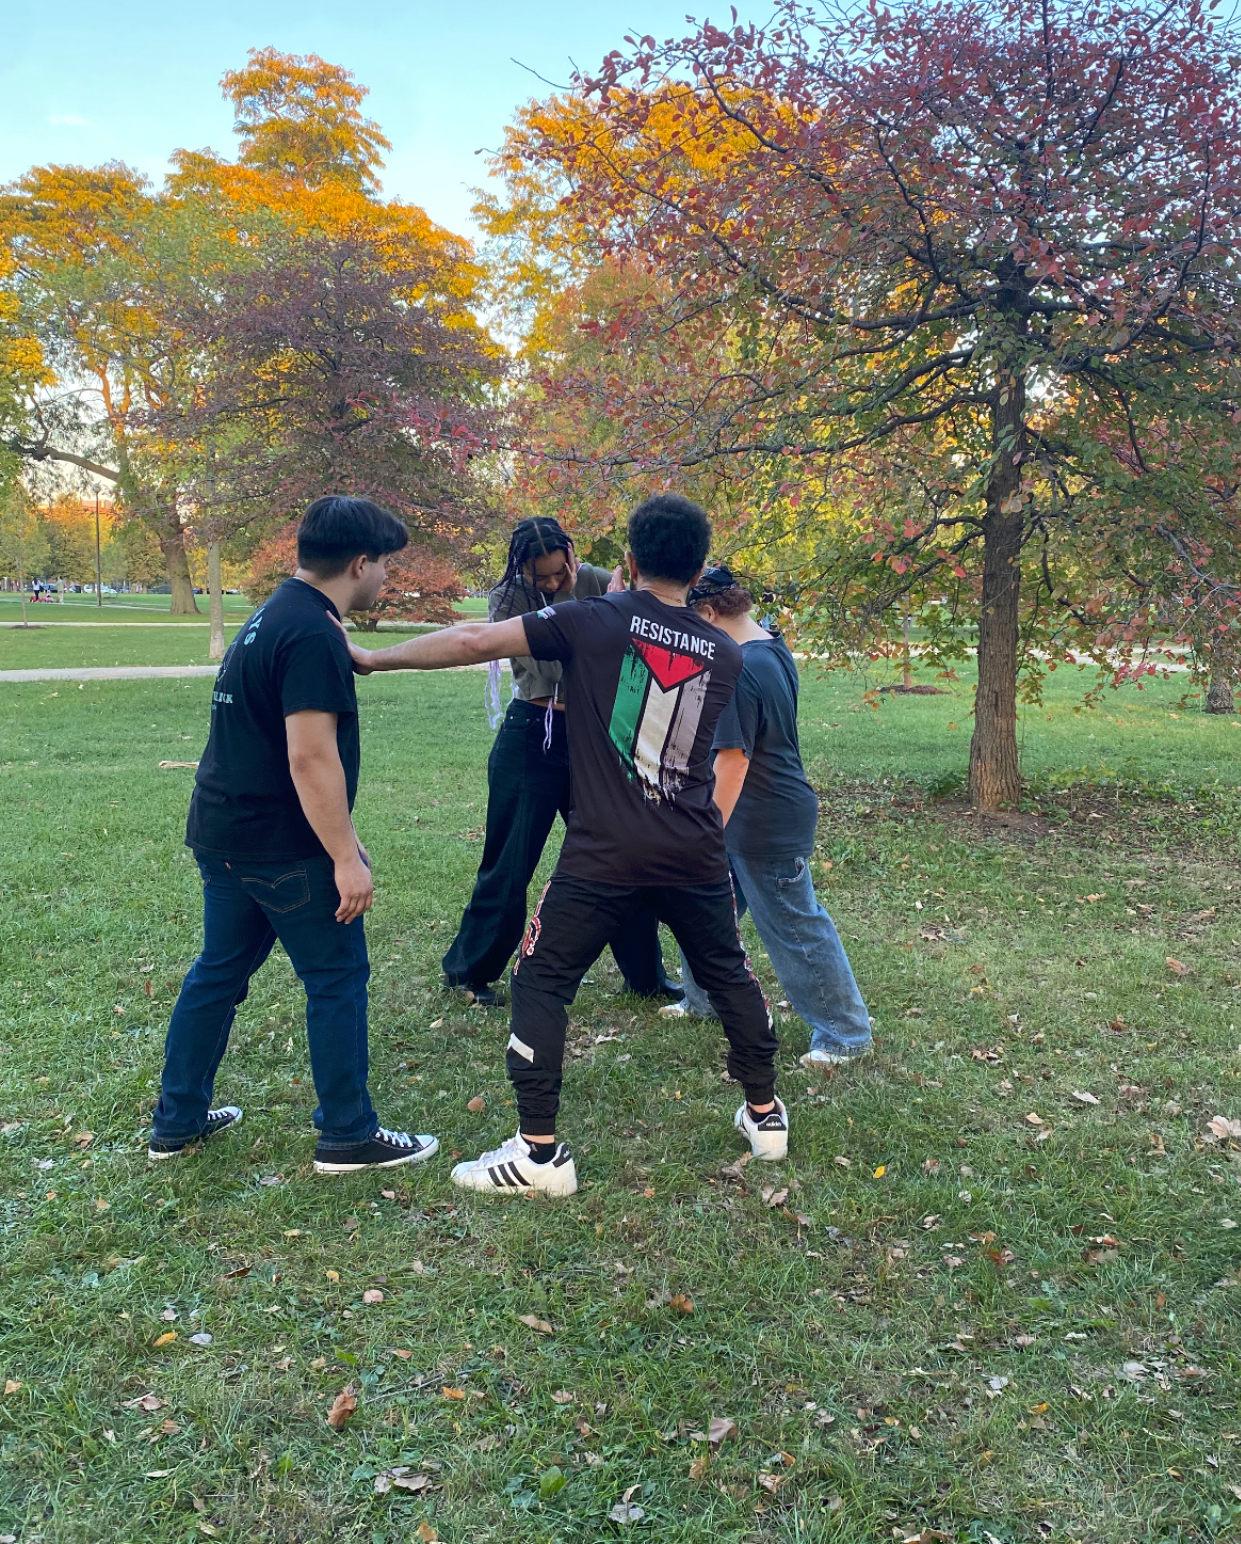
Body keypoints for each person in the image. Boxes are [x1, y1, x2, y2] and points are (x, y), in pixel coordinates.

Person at [339, 494, 785, 1197]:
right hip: (694, 847)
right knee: (729, 974)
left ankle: (539, 1154)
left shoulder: (593, 617)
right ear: (700, 570)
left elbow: (473, 641)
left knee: (541, 979)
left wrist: (371, 657)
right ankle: (765, 1115)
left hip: (606, 850)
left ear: (629, 558)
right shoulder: (727, 653)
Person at [149, 495, 439, 1175]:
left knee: (218, 974)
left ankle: (176, 1123)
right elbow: (309, 757)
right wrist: (344, 856)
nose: (386, 577)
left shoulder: (272, 615)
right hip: (283, 847)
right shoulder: (311, 633)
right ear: (361, 563)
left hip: (224, 833)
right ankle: (348, 1135)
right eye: (385, 565)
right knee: (336, 977)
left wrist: (345, 837)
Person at [441, 515, 679, 1005]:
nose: (551, 583)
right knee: (510, 860)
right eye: (540, 577)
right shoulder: (508, 598)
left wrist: (599, 605)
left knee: (621, 853)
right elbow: (549, 663)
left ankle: (645, 977)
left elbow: (638, 651)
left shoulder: (600, 580)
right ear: (521, 569)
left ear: (572, 552)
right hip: (532, 733)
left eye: (559, 571)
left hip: (594, 737)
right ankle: (470, 972)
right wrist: (595, 613)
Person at [664, 567, 872, 1064]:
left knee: (795, 928)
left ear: (709, 614)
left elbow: (733, 761)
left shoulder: (738, 667)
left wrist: (704, 833)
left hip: (764, 820)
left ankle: (845, 1035)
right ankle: (703, 998)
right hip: (747, 814)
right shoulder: (769, 645)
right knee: (703, 908)